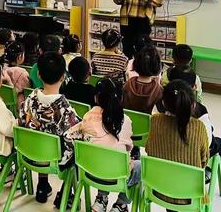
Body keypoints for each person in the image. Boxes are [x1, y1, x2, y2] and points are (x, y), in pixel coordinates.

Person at [69, 79, 139, 212]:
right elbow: (128, 148)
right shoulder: (126, 120)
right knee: (139, 166)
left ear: (96, 97)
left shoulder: (88, 116)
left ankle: (101, 199)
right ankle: (121, 203)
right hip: (116, 175)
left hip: (90, 171)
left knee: (101, 154)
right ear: (121, 98)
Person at [19, 52, 79, 206]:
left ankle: (42, 186)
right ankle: (65, 193)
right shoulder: (66, 110)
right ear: (63, 77)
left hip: (29, 152)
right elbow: (73, 141)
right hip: (55, 160)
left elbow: (21, 122)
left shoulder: (29, 100)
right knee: (77, 151)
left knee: (41, 137)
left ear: (38, 74)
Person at [146, 80, 209, 206]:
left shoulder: (155, 121)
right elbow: (204, 159)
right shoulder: (198, 127)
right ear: (193, 105)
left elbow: (148, 149)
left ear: (163, 102)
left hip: (158, 188)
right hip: (190, 194)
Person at [167, 66, 220, 157]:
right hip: (197, 159)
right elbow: (207, 146)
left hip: (167, 155)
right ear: (194, 87)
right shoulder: (200, 111)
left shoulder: (159, 115)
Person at [123, 44, 163, 114]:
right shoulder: (159, 90)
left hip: (128, 122)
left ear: (136, 64)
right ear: (157, 66)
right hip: (150, 124)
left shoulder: (127, 85)